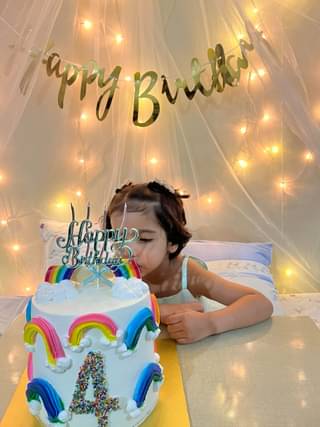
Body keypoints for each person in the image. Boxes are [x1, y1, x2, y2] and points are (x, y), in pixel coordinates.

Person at [106, 181, 273, 344]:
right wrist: (159, 311)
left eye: (144, 239)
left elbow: (260, 303)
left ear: (172, 242)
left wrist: (209, 324)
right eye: (118, 238)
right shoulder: (117, 270)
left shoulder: (188, 274)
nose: (128, 251)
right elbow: (97, 314)